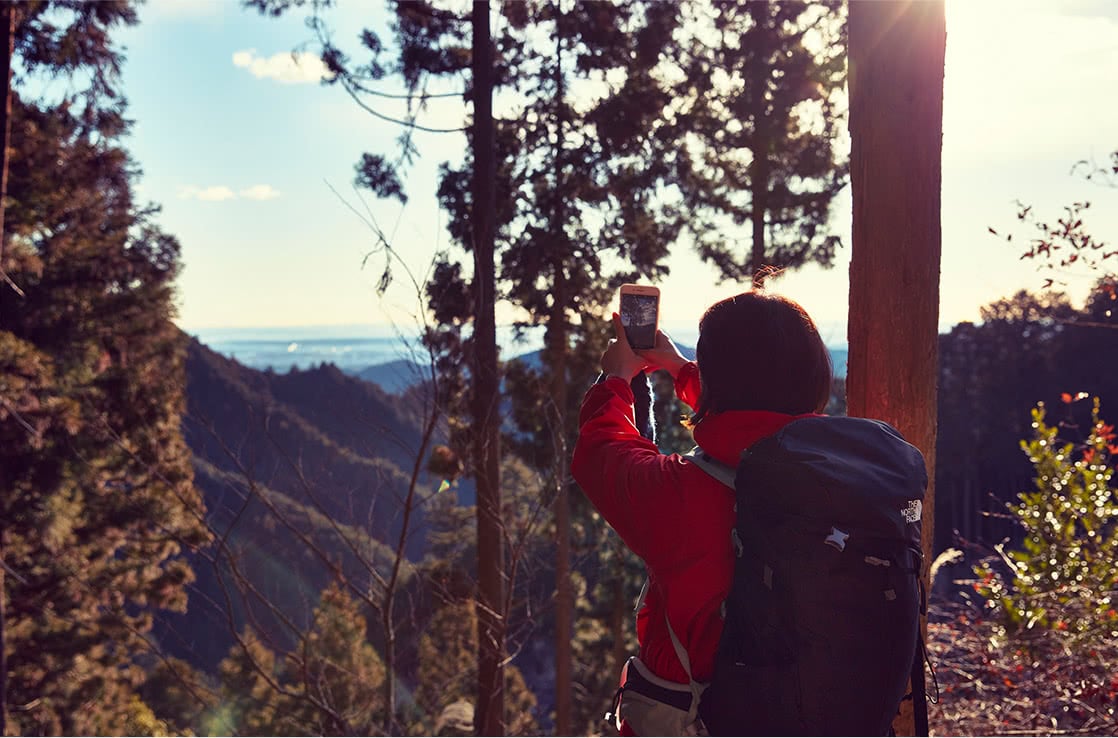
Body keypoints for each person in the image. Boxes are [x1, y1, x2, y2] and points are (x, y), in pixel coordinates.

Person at [570, 290, 834, 736]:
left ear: (719, 379)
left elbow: (601, 450)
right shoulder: (844, 474)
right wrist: (680, 369)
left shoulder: (682, 494)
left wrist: (616, 378)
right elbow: (758, 424)